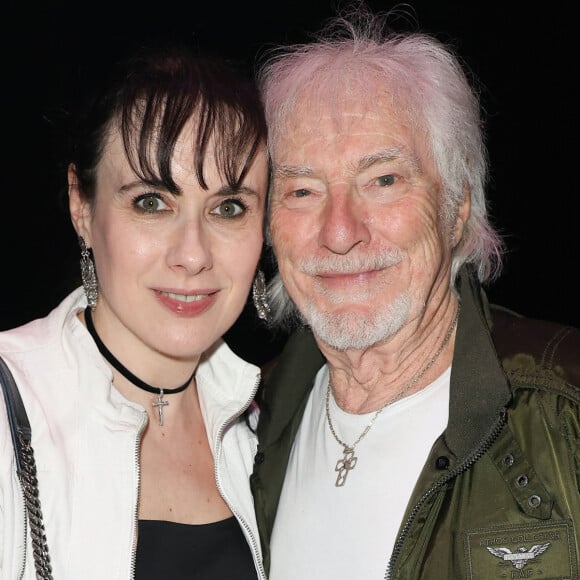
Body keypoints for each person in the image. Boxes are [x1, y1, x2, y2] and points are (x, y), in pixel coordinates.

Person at [249, 4, 580, 580]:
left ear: (457, 207)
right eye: (302, 190)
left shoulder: (564, 408)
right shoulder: (239, 423)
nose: (340, 232)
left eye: (383, 180)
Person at [0, 42, 270, 580]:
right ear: (82, 206)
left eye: (229, 208)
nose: (192, 255)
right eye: (152, 202)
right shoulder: (11, 410)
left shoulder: (261, 426)